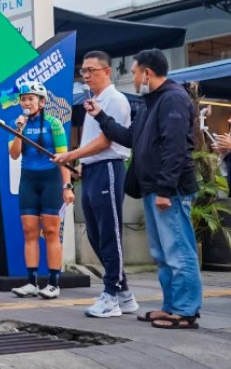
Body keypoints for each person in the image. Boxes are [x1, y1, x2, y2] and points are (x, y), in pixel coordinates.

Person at [86, 49, 201, 330]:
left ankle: (185, 311)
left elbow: (176, 150)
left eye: (135, 72)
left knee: (178, 252)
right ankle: (171, 307)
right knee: (162, 254)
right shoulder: (153, 102)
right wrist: (102, 117)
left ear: (147, 73)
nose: (134, 78)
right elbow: (130, 138)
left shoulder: (172, 99)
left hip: (170, 192)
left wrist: (164, 189)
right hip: (154, 189)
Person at [52, 51, 138, 318]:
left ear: (107, 71)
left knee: (109, 234)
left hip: (110, 169)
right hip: (92, 170)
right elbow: (93, 141)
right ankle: (123, 293)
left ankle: (111, 295)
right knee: (94, 234)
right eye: (84, 71)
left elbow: (106, 142)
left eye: (91, 70)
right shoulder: (93, 101)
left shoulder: (115, 100)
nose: (86, 75)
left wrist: (71, 155)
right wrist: (80, 164)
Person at [8, 81, 74, 300]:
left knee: (52, 231)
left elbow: (63, 158)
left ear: (42, 102)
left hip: (51, 179)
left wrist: (67, 186)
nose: (26, 103)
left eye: (31, 99)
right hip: (28, 179)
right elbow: (14, 155)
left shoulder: (54, 123)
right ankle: (31, 281)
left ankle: (53, 282)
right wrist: (18, 130)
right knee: (29, 230)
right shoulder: (16, 123)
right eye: (23, 99)